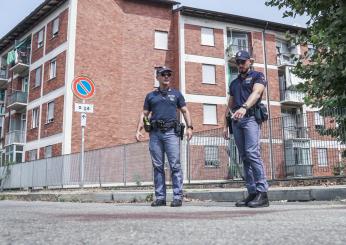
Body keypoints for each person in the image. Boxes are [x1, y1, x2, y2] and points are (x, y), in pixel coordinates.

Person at [136, 66, 193, 207]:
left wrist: (190, 127)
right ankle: (160, 197)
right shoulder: (151, 96)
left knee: (175, 165)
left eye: (168, 74)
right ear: (157, 77)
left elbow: (185, 110)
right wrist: (139, 129)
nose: (166, 76)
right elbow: (144, 114)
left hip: (171, 134)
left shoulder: (176, 94)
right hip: (155, 134)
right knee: (158, 166)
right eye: (163, 74)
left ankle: (177, 197)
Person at [223, 51, 269, 208]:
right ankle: (252, 192)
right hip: (236, 122)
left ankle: (263, 193)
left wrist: (244, 107)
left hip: (250, 118)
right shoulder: (234, 83)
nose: (240, 64)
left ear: (250, 61)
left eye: (243, 61)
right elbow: (230, 104)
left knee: (252, 153)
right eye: (238, 62)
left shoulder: (258, 76)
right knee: (244, 157)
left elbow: (256, 93)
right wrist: (225, 125)